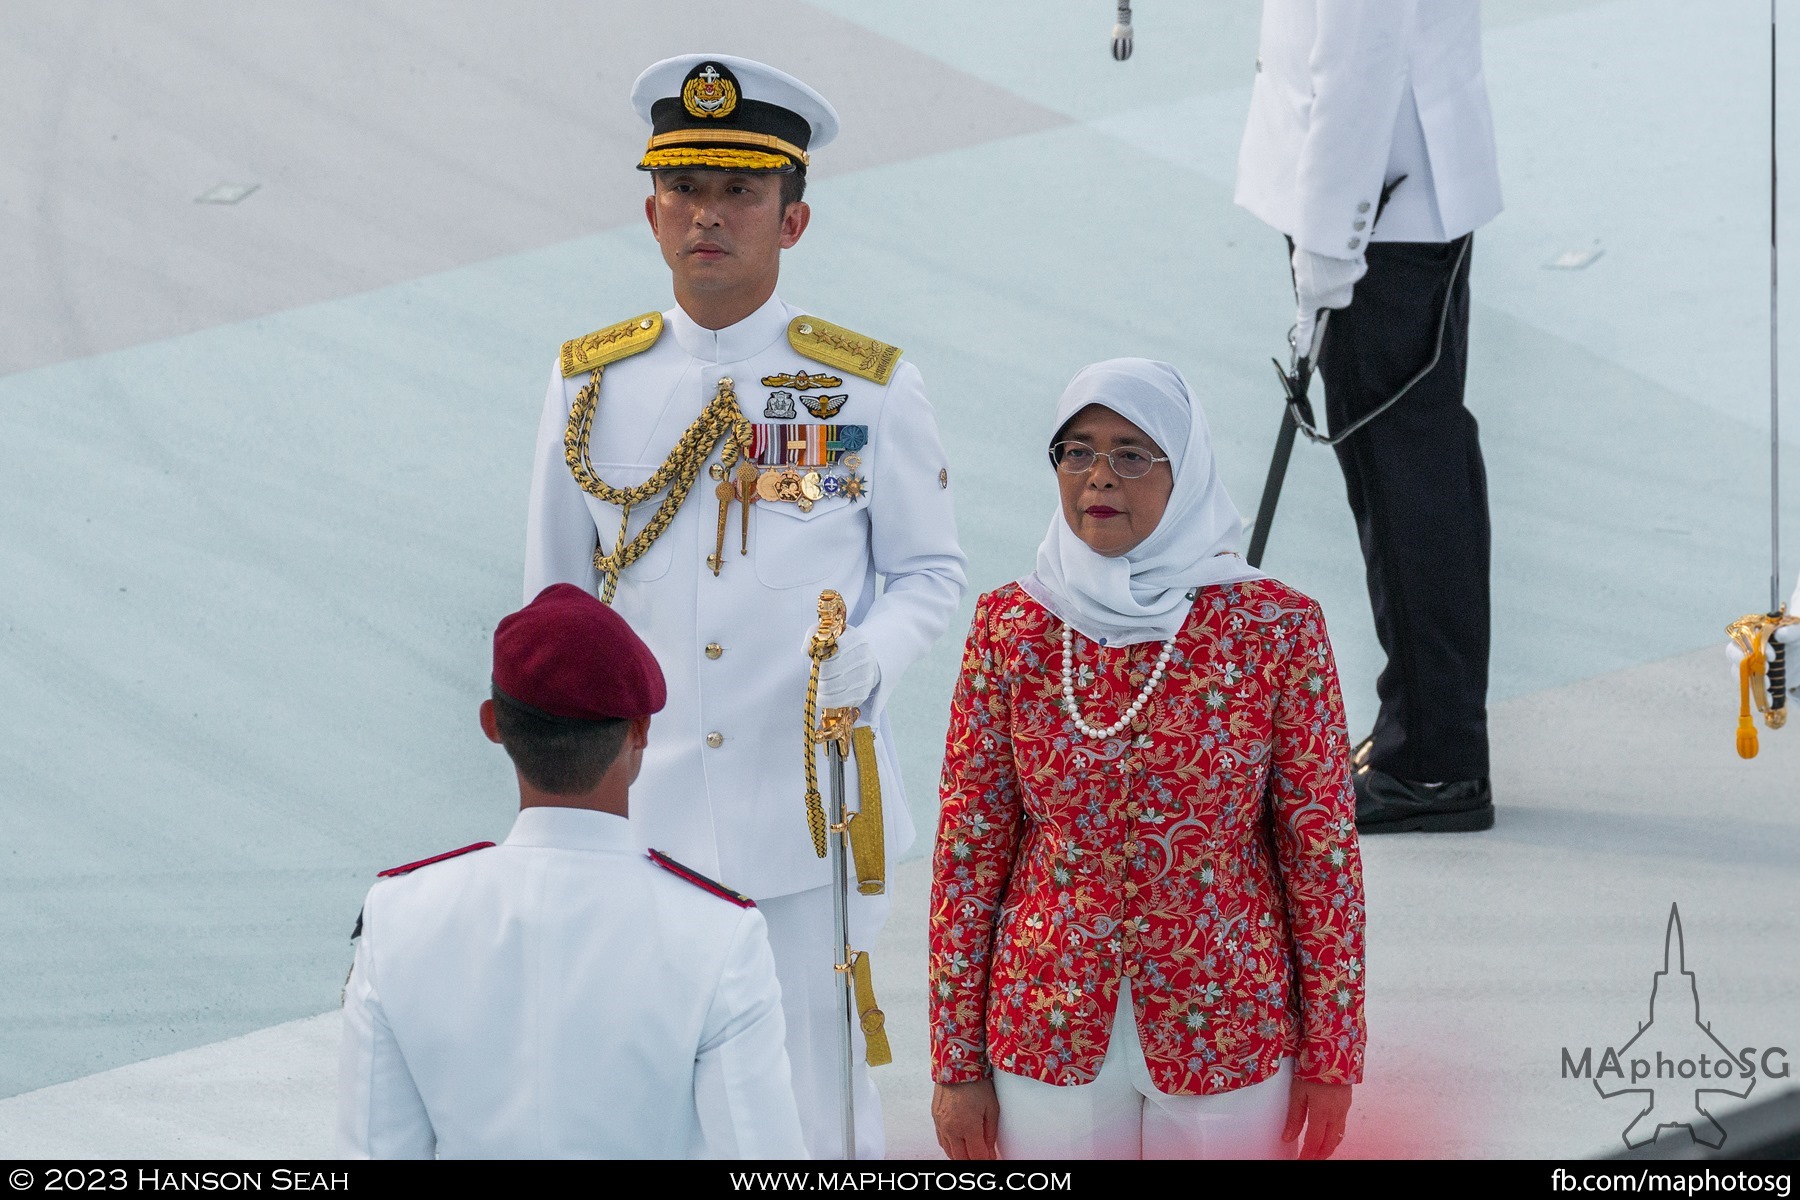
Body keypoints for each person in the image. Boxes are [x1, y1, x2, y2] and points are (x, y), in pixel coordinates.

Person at [522, 54, 967, 1158]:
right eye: (685, 190)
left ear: (794, 217)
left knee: (814, 1107)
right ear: (650, 210)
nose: (707, 216)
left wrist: (877, 651)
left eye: (740, 192)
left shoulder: (867, 386)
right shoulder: (591, 384)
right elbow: (552, 609)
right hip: (641, 814)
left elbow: (931, 574)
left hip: (806, 811)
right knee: (642, 1100)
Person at [927, 359, 1365, 1160]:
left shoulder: (1277, 629)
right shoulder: (1012, 626)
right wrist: (955, 1061)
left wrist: (1334, 1052)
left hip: (1228, 1021)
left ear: (1186, 469)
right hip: (1046, 1024)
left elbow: (1320, 850)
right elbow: (969, 850)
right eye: (1077, 451)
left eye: (1132, 453)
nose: (1099, 477)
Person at [338, 583, 806, 1159]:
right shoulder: (720, 935)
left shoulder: (399, 916)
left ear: (493, 724)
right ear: (640, 731)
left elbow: (371, 1149)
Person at [1235, 0, 1504, 833]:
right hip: (1398, 189)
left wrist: (1328, 239)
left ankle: (1432, 760)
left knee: (1405, 481)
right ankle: (1427, 728)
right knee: (1420, 463)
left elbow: (1360, 57)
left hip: (1373, 205)